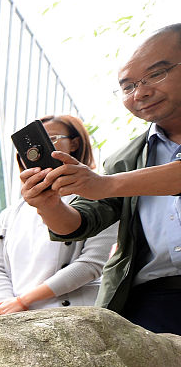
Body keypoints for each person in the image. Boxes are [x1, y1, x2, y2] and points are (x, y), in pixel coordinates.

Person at [21, 25, 181, 335]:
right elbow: (80, 222)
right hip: (150, 299)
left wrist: (105, 184)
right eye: (128, 86)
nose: (141, 92)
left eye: (156, 75)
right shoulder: (124, 157)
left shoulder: (117, 175)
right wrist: (48, 204)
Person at [0, 114, 115, 315]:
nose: (37, 150)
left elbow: (92, 263)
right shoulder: (10, 213)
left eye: (51, 139)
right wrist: (4, 304)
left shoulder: (98, 196)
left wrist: (24, 301)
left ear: (74, 143)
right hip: (16, 318)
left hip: (75, 314)